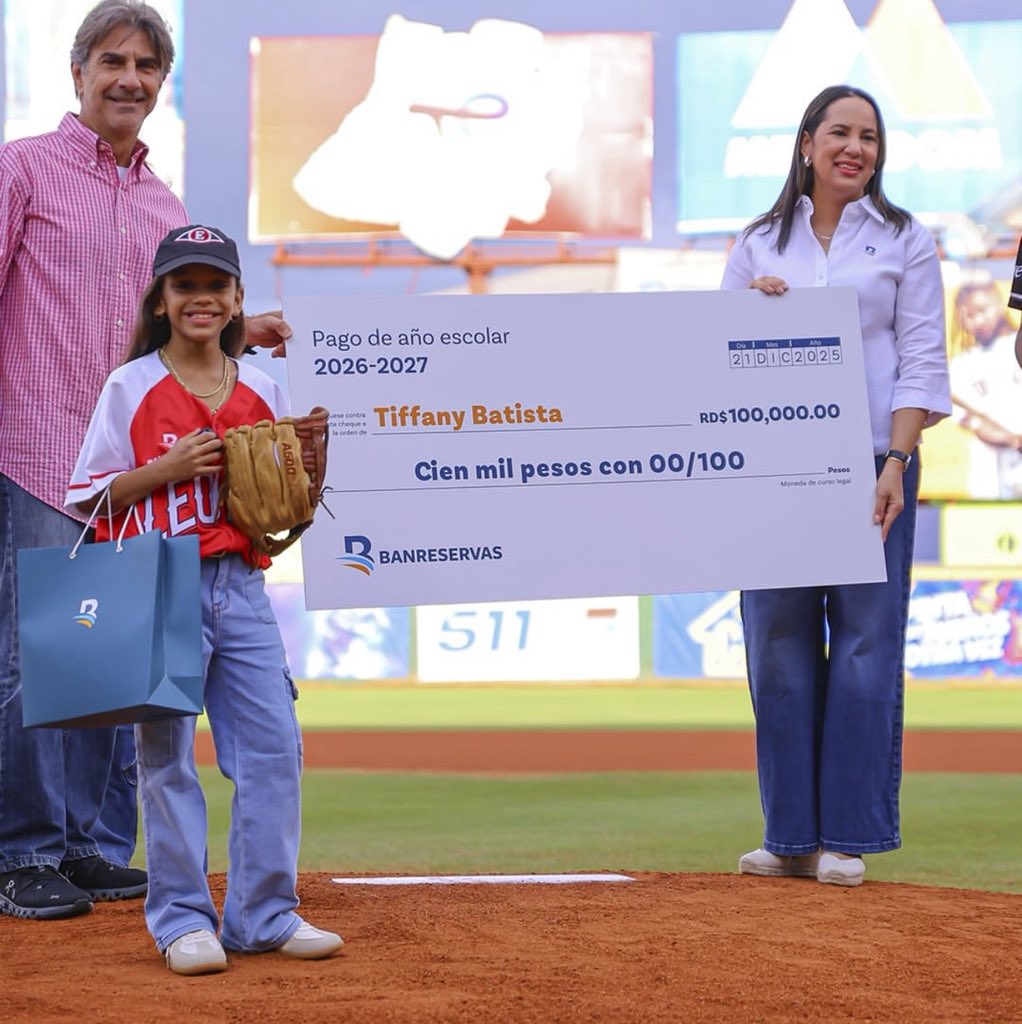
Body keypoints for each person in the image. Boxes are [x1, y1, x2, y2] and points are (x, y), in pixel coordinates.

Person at [0, 0, 289, 921]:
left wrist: (249, 330)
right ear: (78, 71)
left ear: (162, 84)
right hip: (39, 449)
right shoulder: (22, 170)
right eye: (113, 61)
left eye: (147, 66)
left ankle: (88, 845)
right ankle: (22, 853)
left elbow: (180, 329)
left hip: (144, 468)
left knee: (114, 656)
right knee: (36, 657)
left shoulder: (169, 208)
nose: (130, 78)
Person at [66, 225, 342, 975]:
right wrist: (168, 468)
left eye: (214, 285)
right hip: (158, 582)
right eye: (184, 285)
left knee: (273, 751)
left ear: (236, 300)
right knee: (167, 762)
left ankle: (264, 913)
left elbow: (284, 503)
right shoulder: (130, 386)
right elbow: (89, 497)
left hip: (242, 584)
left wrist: (308, 468)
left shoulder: (265, 385)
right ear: (160, 300)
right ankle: (183, 919)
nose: (201, 298)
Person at [721, 85, 951, 887]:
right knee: (777, 653)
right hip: (774, 472)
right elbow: (717, 360)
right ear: (807, 143)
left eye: (871, 138)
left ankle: (848, 836)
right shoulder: (756, 243)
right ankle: (788, 837)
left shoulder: (904, 239)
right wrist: (751, 313)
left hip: (871, 466)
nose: (857, 149)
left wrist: (896, 462)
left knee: (862, 650)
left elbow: (922, 357)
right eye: (842, 134)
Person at [947, 279, 1022, 498]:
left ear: (999, 303)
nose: (978, 320)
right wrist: (1014, 441)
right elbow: (972, 421)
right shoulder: (962, 365)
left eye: (982, 310)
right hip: (991, 477)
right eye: (969, 315)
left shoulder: (1015, 347)